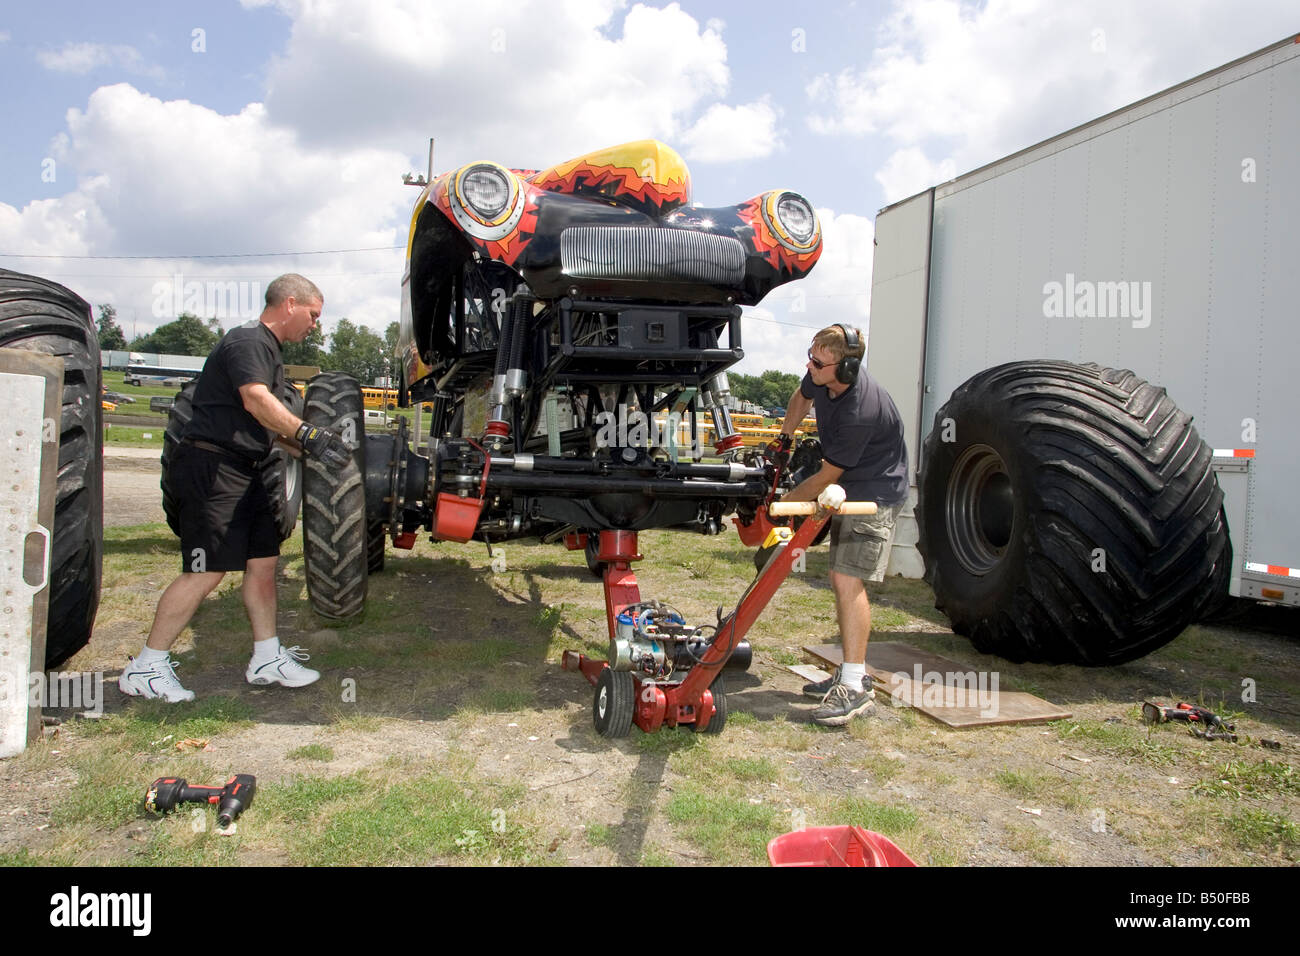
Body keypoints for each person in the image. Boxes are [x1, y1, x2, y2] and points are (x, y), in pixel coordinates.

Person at [119, 274, 351, 702]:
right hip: (212, 467)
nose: (315, 325)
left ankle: (266, 657)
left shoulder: (271, 351)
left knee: (263, 565)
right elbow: (255, 401)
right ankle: (146, 666)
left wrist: (311, 452)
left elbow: (264, 424)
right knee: (205, 570)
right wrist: (309, 436)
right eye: (313, 315)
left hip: (248, 468)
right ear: (290, 304)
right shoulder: (248, 340)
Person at [769, 324, 909, 727]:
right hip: (847, 486)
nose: (809, 365)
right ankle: (853, 667)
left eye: (818, 362)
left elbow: (826, 476)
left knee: (848, 580)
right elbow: (801, 397)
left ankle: (854, 686)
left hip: (875, 494)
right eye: (809, 356)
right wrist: (783, 439)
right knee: (839, 576)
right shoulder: (819, 376)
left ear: (844, 370)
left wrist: (781, 504)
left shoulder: (859, 410)